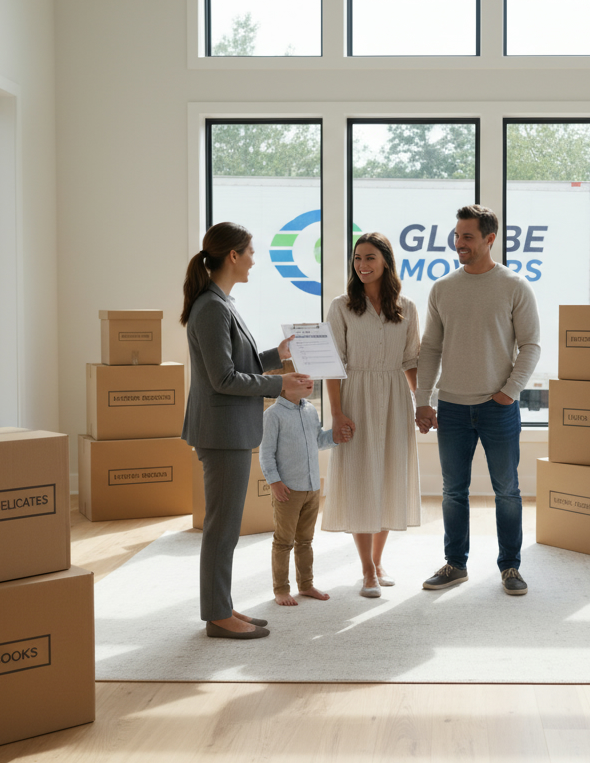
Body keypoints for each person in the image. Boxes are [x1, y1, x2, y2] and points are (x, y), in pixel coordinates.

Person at [181, 221, 314, 640]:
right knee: (222, 528)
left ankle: (221, 605)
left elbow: (235, 365)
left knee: (226, 526)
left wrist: (277, 356)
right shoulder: (212, 306)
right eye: (251, 252)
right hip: (222, 432)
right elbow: (223, 378)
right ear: (233, 256)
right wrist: (280, 383)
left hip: (230, 429)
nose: (255, 259)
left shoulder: (221, 303)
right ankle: (218, 616)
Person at [415, 205, 540, 596]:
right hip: (451, 406)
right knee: (453, 491)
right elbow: (430, 347)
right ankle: (456, 564)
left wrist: (509, 391)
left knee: (507, 490)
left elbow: (531, 345)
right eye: (456, 235)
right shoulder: (443, 288)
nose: (459, 243)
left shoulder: (514, 286)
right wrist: (423, 399)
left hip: (497, 406)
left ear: (490, 239)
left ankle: (510, 567)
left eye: (467, 236)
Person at [322, 232, 423, 597]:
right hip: (356, 397)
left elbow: (411, 362)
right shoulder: (342, 306)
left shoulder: (407, 307)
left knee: (388, 479)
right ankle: (366, 570)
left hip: (395, 398)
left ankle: (378, 562)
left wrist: (423, 403)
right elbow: (333, 365)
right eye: (357, 258)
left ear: (386, 262)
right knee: (362, 481)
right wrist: (336, 413)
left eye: (370, 258)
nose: (362, 265)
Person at [260, 381, 336, 607]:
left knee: (305, 540)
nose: (309, 382)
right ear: (283, 386)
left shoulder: (311, 409)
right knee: (284, 541)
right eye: (300, 380)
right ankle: (281, 589)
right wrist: (274, 482)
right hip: (288, 490)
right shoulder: (272, 415)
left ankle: (306, 585)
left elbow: (319, 441)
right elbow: (266, 454)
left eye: (309, 378)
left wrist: (337, 436)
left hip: (312, 487)